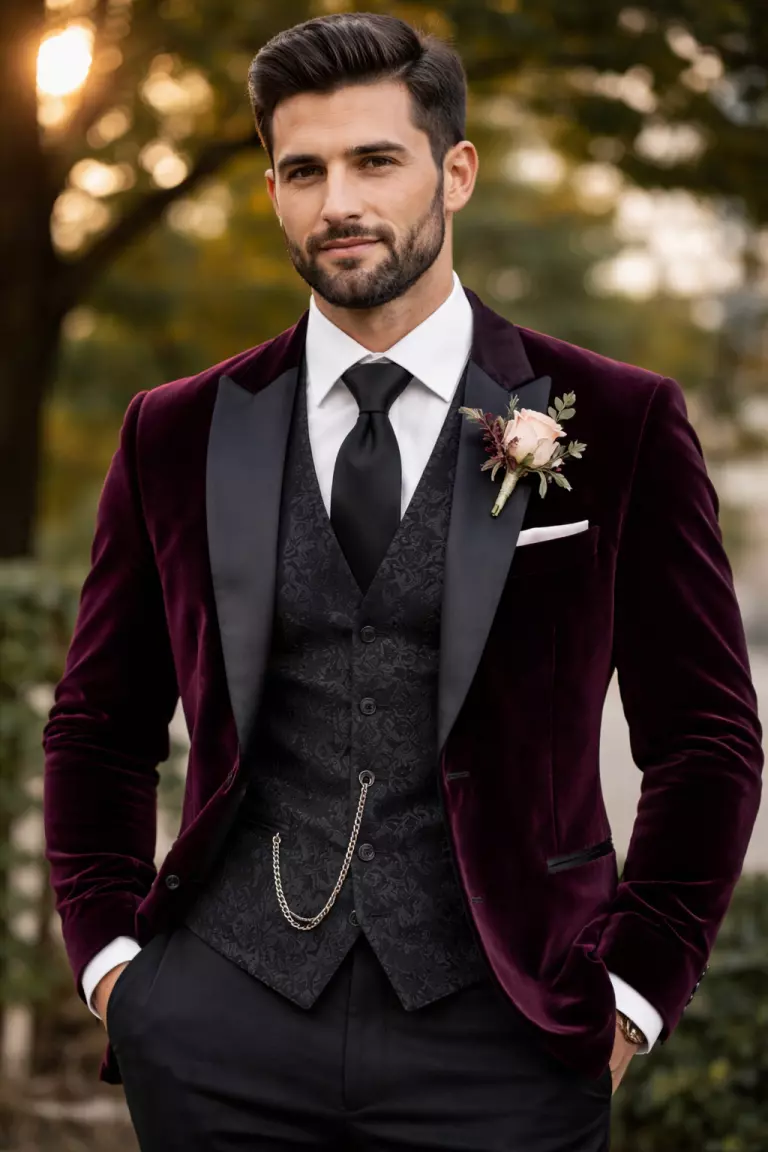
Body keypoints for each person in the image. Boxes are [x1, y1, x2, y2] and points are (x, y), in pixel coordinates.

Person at [42, 11, 763, 1152]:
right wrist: (115, 969)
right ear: (274, 191)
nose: (340, 202)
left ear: (455, 170)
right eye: (304, 169)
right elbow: (97, 726)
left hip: (512, 1035)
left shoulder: (619, 423)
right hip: (221, 1028)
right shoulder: (175, 434)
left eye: (376, 160)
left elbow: (707, 738)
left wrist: (629, 996)